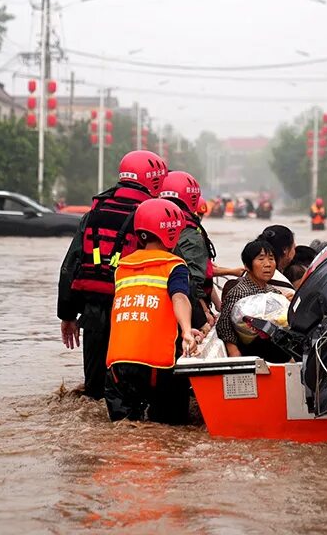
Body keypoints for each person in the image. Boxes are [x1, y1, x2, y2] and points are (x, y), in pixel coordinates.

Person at [56, 149, 167, 400]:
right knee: (132, 392)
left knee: (94, 394)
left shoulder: (93, 214)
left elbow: (71, 265)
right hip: (135, 312)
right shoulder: (151, 215)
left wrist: (67, 315)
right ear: (153, 180)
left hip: (93, 313)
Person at [104, 198, 199, 423]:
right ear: (173, 233)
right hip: (157, 366)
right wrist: (186, 330)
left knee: (122, 434)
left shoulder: (122, 267)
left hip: (117, 368)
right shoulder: (174, 265)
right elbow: (179, 297)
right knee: (169, 433)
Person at [159, 170, 216, 331]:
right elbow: (193, 283)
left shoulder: (149, 221)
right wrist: (203, 315)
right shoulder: (189, 233)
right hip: (180, 308)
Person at [217, 239, 290, 362]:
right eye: (261, 259)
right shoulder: (239, 292)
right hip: (251, 354)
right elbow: (224, 325)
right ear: (247, 265)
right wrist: (234, 352)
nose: (267, 264)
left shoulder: (274, 292)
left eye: (271, 259)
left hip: (275, 352)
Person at [258, 224, 298, 294]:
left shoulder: (250, 272)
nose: (295, 252)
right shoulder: (285, 288)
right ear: (285, 250)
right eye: (293, 247)